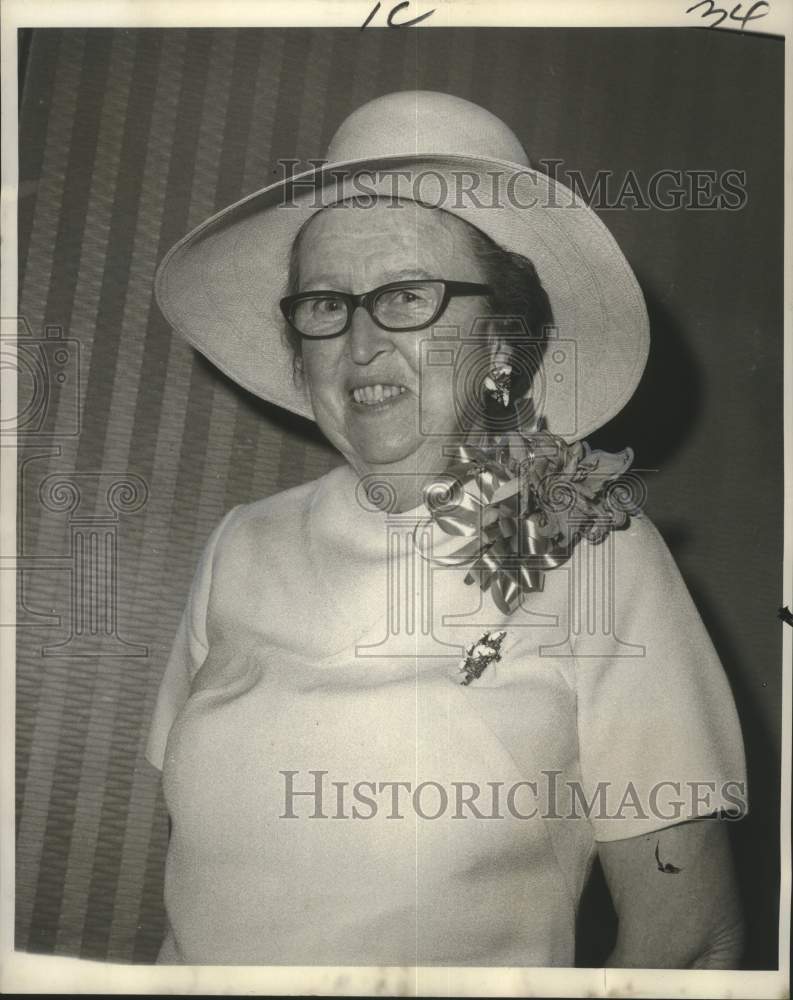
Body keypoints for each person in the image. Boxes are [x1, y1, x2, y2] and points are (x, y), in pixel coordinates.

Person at [146, 91, 747, 967]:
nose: (358, 346)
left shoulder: (597, 554)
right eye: (324, 305)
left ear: (501, 340)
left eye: (407, 297)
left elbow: (690, 941)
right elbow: (193, 909)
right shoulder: (242, 544)